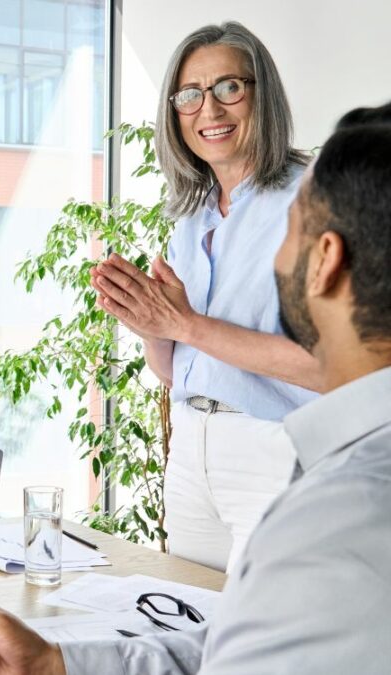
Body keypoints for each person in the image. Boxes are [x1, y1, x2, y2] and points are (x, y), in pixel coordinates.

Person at [0, 101, 391, 675]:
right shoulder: (345, 477)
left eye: (288, 231)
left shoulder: (343, 514)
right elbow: (240, 642)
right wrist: (57, 665)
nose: (274, 257)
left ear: (326, 260)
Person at [90, 22, 321, 571]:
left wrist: (186, 324)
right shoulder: (189, 216)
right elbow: (182, 374)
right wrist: (153, 328)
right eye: (190, 94)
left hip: (277, 451)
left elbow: (335, 368)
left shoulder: (316, 200)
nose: (208, 110)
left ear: (262, 95)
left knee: (266, 648)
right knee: (193, 630)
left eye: (229, 88)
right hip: (192, 451)